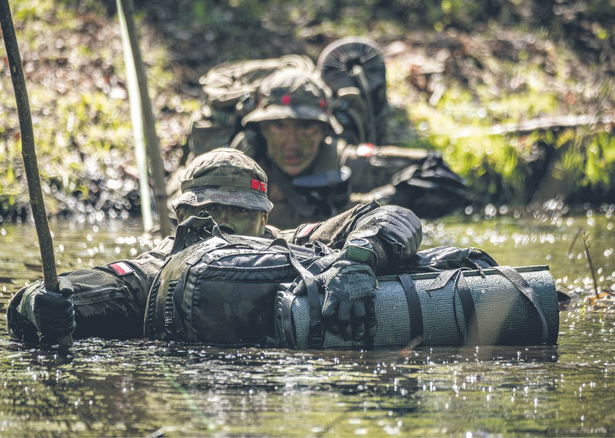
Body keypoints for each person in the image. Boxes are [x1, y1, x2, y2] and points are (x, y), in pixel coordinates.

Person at [7, 148, 422, 345]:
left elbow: (395, 216)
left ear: (264, 217)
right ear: (181, 216)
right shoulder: (153, 275)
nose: (223, 222)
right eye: (209, 211)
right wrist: (39, 304)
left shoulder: (297, 245)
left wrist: (359, 258)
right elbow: (56, 291)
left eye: (238, 212)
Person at [186, 66, 467, 229]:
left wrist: (377, 202)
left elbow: (443, 178)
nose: (291, 143)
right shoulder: (239, 162)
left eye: (306, 127)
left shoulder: (340, 159)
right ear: (261, 128)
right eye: (279, 126)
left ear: (324, 131)